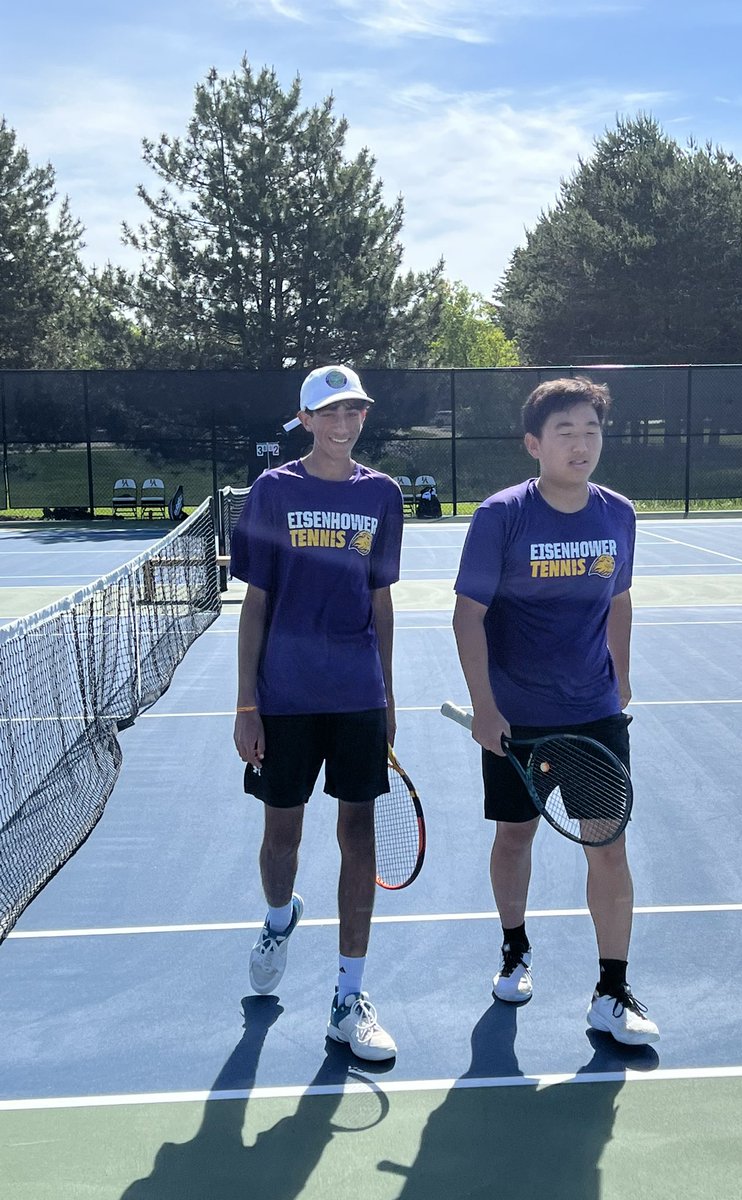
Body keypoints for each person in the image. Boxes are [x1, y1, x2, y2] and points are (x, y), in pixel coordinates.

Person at [451, 376, 659, 1046]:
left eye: (592, 431)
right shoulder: (502, 516)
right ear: (534, 444)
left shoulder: (618, 513)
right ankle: (514, 947)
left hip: (594, 716)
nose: (581, 444)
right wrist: (486, 708)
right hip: (518, 719)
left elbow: (619, 599)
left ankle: (612, 988)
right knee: (515, 837)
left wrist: (620, 676)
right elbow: (468, 616)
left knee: (609, 845)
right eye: (566, 432)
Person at [230, 363, 403, 1062]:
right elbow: (256, 603)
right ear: (305, 420)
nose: (342, 423)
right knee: (283, 838)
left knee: (357, 834)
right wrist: (247, 701)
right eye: (329, 413)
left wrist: (388, 695)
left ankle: (348, 996)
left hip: (357, 693)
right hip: (286, 696)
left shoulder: (382, 495)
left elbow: (381, 600)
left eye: (353, 411)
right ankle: (278, 920)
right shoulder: (275, 491)